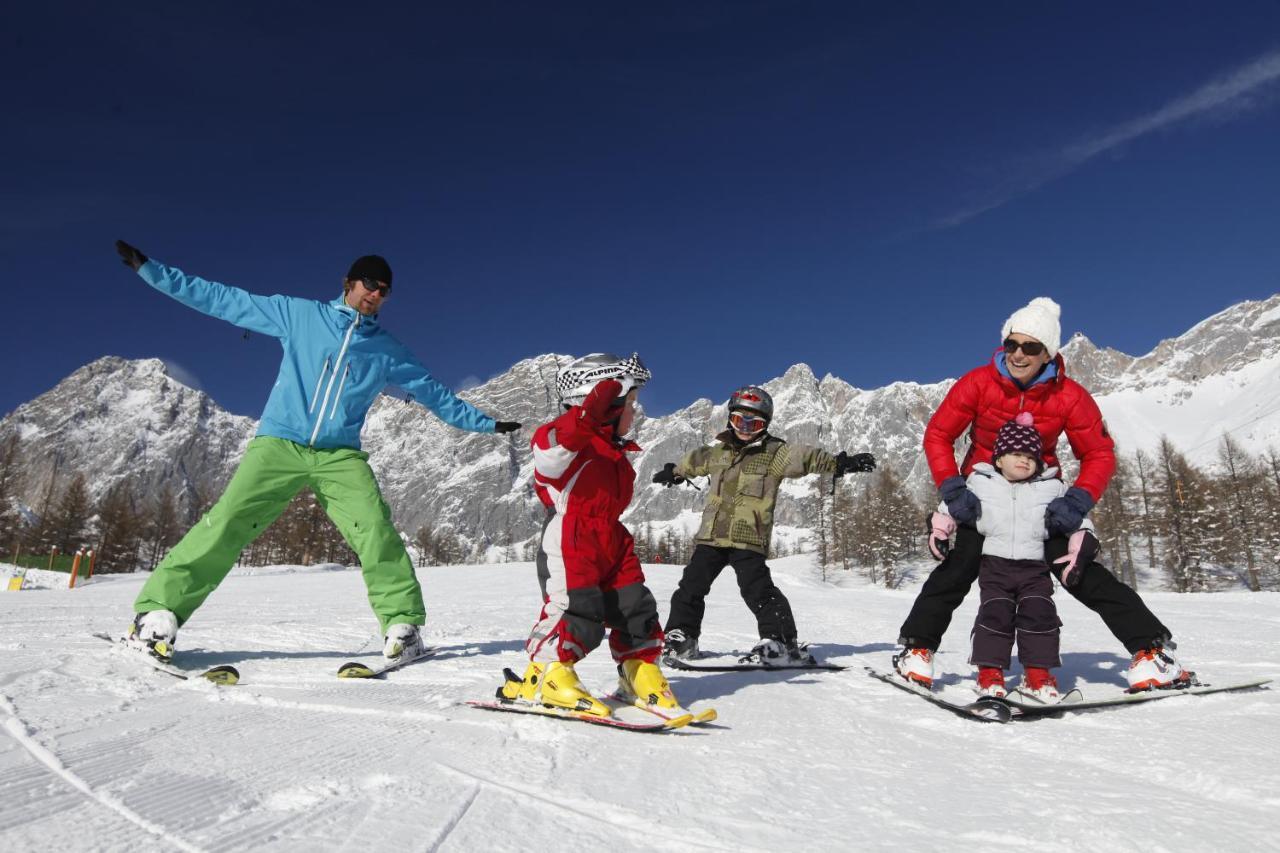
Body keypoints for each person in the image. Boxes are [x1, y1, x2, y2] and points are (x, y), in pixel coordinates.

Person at [114, 240, 520, 663]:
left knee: (375, 529)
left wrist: (486, 424)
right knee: (227, 522)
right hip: (279, 442)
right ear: (348, 283)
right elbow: (225, 300)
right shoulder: (301, 315)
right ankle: (156, 616)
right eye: (369, 284)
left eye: (384, 290)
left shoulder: (388, 351)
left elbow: (436, 395)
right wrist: (152, 272)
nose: (376, 294)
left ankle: (403, 627)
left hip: (338, 455)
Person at [895, 297, 1191, 693]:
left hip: (1040, 500)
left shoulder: (1068, 396)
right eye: (1011, 344)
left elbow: (1099, 453)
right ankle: (917, 650)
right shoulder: (978, 383)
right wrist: (953, 488)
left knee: (1079, 571)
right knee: (958, 567)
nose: (1018, 354)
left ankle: (1152, 654)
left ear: (1048, 352)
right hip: (982, 495)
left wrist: (1077, 502)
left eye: (1030, 347)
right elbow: (938, 434)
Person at [500, 353, 685, 719]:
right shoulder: (565, 442)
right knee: (576, 606)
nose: (635, 411)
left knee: (634, 605)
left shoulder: (612, 450)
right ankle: (547, 676)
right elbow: (549, 452)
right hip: (573, 535)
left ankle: (638, 670)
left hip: (612, 536)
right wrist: (586, 418)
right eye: (629, 403)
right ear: (603, 404)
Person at [654, 386, 876, 665]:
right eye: (739, 420)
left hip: (749, 536)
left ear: (765, 425)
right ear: (729, 420)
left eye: (754, 423)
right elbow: (694, 461)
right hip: (711, 536)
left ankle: (780, 640)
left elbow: (805, 458)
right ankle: (681, 637)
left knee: (756, 588)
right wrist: (674, 473)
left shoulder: (775, 453)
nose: (745, 428)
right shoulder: (717, 453)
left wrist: (839, 463)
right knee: (691, 586)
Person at [934, 412, 1097, 702]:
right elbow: (952, 508)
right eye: (1016, 454)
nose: (1024, 461)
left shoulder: (1052, 487)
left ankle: (1038, 675)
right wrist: (940, 530)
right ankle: (989, 673)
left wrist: (1081, 543)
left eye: (1031, 457)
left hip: (1034, 568)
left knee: (1040, 615)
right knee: (995, 615)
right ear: (998, 459)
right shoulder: (980, 482)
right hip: (994, 566)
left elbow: (1076, 518)